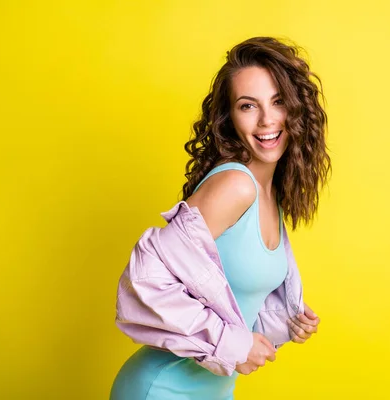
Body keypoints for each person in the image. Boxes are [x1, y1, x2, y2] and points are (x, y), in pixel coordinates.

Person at [110, 36, 331, 400]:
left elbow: (228, 302)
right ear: (230, 118)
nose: (267, 120)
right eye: (248, 106)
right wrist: (234, 344)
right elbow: (144, 282)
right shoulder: (235, 185)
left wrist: (283, 320)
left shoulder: (271, 194)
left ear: (296, 108)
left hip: (212, 390)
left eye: (278, 101)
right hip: (164, 388)